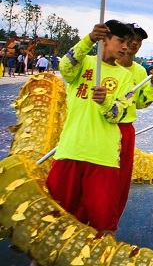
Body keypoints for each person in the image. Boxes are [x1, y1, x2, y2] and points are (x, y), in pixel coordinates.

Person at [45, 20, 137, 236]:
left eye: (128, 42)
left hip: (103, 157)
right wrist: (88, 39)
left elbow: (120, 113)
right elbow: (65, 67)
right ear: (105, 39)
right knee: (54, 217)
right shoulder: (83, 64)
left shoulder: (125, 76)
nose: (125, 46)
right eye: (121, 41)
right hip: (71, 150)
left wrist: (105, 102)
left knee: (104, 225)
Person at [115, 23, 153, 223]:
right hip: (100, 128)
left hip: (125, 128)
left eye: (139, 40)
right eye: (131, 37)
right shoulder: (105, 65)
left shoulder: (140, 71)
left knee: (120, 179)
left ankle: (110, 222)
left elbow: (142, 103)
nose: (134, 42)